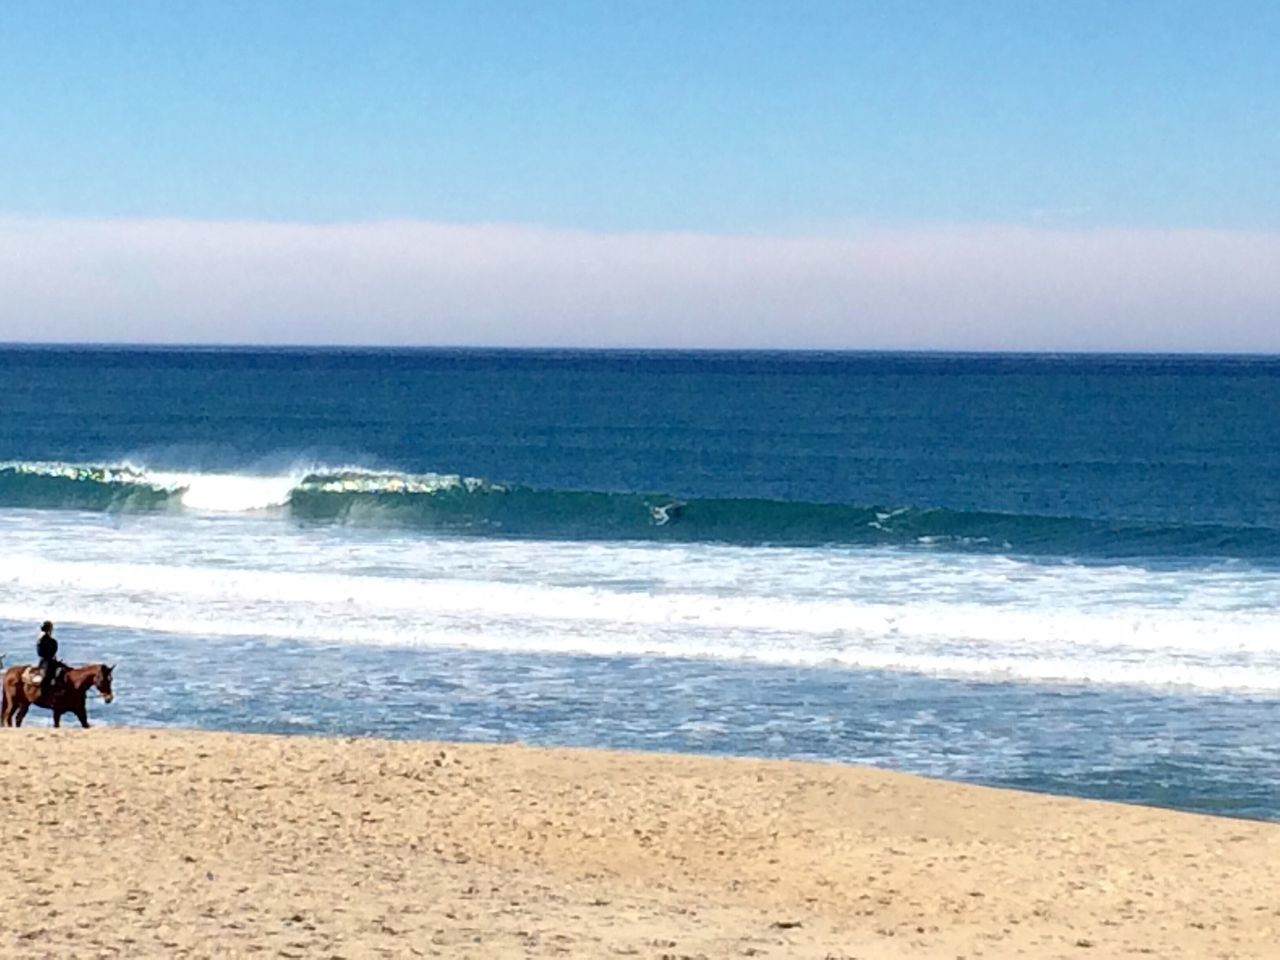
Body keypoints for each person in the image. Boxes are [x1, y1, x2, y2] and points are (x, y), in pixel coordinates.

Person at [36, 620, 61, 699]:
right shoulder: (42, 640)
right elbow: (40, 653)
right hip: (45, 661)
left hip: (52, 660)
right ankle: (43, 694)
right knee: (47, 676)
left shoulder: (51, 640)